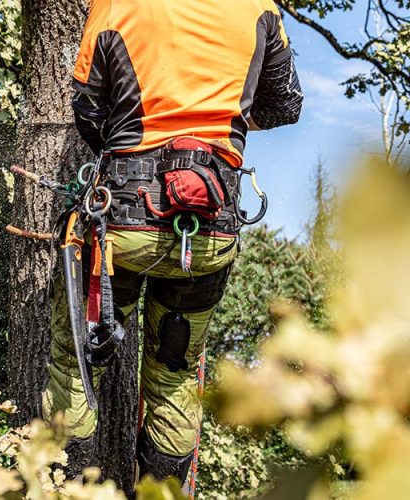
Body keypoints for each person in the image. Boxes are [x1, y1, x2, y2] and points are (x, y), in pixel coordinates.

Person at [41, 0, 303, 485]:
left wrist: (127, 138)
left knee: (75, 365)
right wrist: (221, 124)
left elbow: (87, 105)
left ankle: (68, 490)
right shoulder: (260, 8)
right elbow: (285, 104)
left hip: (119, 226)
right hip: (209, 229)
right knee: (175, 375)